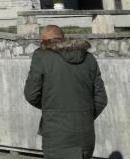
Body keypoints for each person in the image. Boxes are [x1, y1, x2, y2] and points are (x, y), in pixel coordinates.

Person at [24, 25, 108, 159]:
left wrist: (52, 109)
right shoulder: (89, 58)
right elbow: (101, 99)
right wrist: (83, 115)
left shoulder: (42, 56)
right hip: (85, 135)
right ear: (62, 38)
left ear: (44, 41)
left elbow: (31, 94)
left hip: (55, 134)